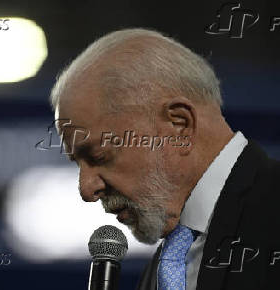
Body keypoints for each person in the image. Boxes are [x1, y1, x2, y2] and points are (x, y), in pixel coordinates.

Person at [49, 28, 280, 290]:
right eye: (77, 164)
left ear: (179, 125)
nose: (86, 189)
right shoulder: (165, 266)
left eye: (99, 155)